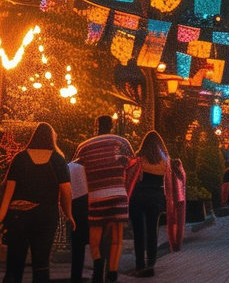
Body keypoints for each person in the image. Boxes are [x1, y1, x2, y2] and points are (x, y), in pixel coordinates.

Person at [0, 123, 74, 283]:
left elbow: (8, 190)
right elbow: (66, 190)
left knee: (14, 262)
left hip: (19, 215)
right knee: (41, 262)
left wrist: (0, 217)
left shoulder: (20, 158)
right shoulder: (57, 160)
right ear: (52, 139)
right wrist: (69, 215)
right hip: (45, 216)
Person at [76, 115, 133, 283]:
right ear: (112, 126)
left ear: (96, 126)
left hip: (96, 196)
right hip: (118, 195)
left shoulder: (84, 146)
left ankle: (98, 264)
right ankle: (112, 273)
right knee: (116, 239)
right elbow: (133, 162)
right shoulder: (121, 142)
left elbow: (76, 168)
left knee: (95, 237)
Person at [123, 131, 170, 278]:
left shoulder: (138, 158)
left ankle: (139, 265)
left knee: (139, 232)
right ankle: (151, 264)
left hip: (138, 198)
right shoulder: (165, 160)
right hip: (155, 198)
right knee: (152, 230)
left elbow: (130, 177)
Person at [63, 137, 90, 283]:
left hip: (75, 206)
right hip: (91, 205)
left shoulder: (70, 167)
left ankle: (76, 276)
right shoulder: (91, 167)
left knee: (77, 246)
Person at [163, 152, 187, 254]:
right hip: (180, 198)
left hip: (170, 199)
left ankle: (173, 245)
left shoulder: (167, 171)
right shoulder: (180, 171)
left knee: (171, 222)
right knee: (179, 222)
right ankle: (178, 243)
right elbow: (184, 182)